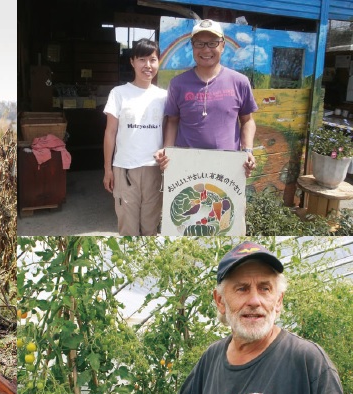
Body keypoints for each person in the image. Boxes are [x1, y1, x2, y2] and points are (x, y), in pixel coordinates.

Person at [75, 241, 353, 394]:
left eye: (265, 288)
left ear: (278, 301)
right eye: (242, 288)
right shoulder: (212, 358)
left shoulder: (307, 362)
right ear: (220, 300)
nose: (254, 300)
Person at [154, 20, 257, 178]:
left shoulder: (239, 82)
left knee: (223, 204)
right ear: (193, 46)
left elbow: (248, 121)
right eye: (199, 44)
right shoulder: (177, 84)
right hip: (186, 167)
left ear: (222, 46)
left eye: (212, 43)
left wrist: (247, 150)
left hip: (227, 168)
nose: (206, 49)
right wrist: (168, 152)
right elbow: (172, 121)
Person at [103, 38, 167, 236]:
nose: (147, 65)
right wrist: (108, 169)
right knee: (128, 227)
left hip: (154, 169)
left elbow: (168, 131)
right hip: (125, 168)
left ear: (159, 62)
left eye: (153, 59)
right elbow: (110, 132)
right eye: (142, 59)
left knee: (150, 226)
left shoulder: (164, 96)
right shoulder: (119, 93)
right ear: (132, 62)